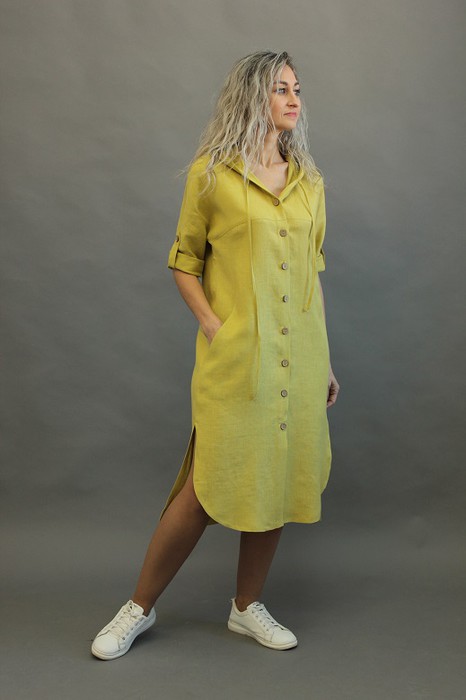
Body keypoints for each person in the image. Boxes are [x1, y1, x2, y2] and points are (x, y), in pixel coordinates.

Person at [91, 49, 340, 661]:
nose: (293, 99)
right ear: (253, 95)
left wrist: (326, 359)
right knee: (206, 487)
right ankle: (138, 608)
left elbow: (312, 275)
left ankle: (246, 606)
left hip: (301, 355)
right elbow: (184, 261)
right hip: (238, 359)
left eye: (297, 88)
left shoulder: (310, 183)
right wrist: (213, 326)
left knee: (277, 479)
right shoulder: (212, 176)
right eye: (280, 88)